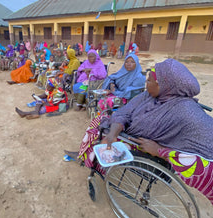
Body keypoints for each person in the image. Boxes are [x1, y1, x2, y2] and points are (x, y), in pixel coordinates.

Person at [66, 58, 213, 205]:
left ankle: (87, 157)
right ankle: (85, 154)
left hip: (141, 145)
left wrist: (159, 150)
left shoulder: (185, 111)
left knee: (96, 126)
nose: (146, 83)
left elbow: (205, 154)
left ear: (164, 85)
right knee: (102, 120)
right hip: (128, 132)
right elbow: (125, 112)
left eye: (149, 81)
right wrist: (113, 132)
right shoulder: (149, 95)